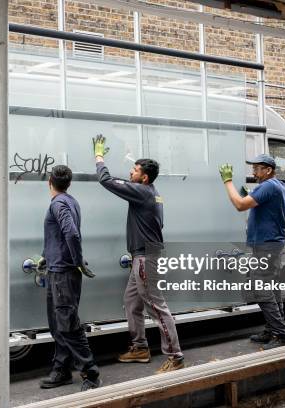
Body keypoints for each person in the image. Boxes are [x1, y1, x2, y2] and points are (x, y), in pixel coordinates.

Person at [92, 134, 185, 374]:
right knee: (132, 303)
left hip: (145, 259)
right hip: (142, 258)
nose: (130, 173)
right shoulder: (153, 192)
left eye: (134, 171)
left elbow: (106, 180)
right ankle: (140, 347)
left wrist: (99, 156)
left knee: (156, 306)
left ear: (143, 177)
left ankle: (174, 356)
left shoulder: (142, 192)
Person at [38, 165, 101, 391]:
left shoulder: (58, 204)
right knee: (58, 324)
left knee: (68, 325)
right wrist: (47, 257)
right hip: (57, 269)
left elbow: (71, 233)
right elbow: (60, 236)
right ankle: (62, 368)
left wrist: (77, 260)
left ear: (49, 182)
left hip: (64, 272)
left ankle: (90, 371)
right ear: (69, 183)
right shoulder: (71, 201)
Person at [219, 154, 285, 350]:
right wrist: (250, 193)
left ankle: (280, 334)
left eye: (257, 168)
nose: (253, 172)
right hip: (270, 245)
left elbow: (240, 205)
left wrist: (227, 181)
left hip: (266, 246)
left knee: (261, 290)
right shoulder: (280, 186)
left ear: (268, 170)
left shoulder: (269, 186)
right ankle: (272, 329)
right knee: (271, 288)